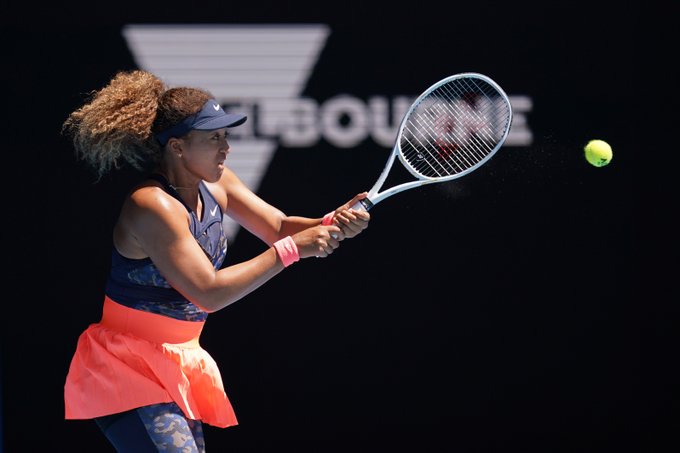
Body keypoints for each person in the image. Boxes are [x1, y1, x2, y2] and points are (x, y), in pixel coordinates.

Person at [62, 69, 370, 452]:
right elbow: (208, 292)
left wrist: (331, 221)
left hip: (177, 361)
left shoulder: (217, 183)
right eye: (213, 138)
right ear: (178, 147)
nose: (225, 148)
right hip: (126, 366)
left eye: (225, 136)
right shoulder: (152, 205)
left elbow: (277, 226)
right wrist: (293, 250)